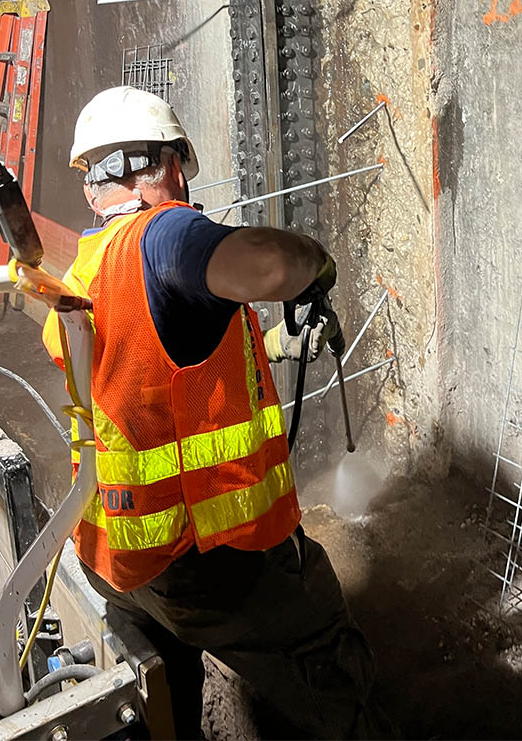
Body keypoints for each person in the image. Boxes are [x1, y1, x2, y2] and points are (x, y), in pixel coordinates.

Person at [41, 86, 381, 739]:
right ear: (173, 163)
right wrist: (312, 265)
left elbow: (157, 365)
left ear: (92, 187)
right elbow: (270, 264)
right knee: (318, 643)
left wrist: (279, 344)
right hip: (202, 560)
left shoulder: (85, 265)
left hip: (116, 558)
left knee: (171, 701)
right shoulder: (166, 231)